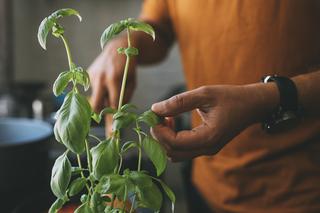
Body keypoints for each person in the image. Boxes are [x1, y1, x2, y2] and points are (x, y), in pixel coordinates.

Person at [89, 0, 320, 212]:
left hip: (302, 190)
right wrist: (124, 42)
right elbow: (158, 28)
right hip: (208, 185)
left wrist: (267, 99)